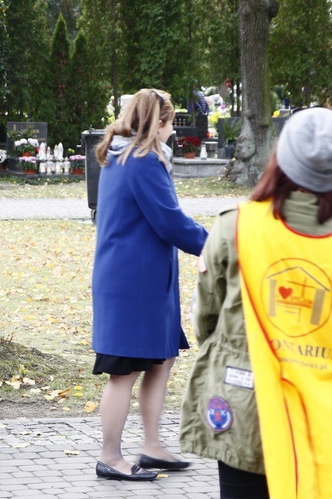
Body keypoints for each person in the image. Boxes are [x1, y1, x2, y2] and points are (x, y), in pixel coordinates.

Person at [180, 108, 332, 498]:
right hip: (323, 410)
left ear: (281, 157)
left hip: (245, 404)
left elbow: (208, 319)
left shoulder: (235, 226)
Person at [91, 88, 208, 482]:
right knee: (123, 371)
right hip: (133, 284)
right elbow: (170, 221)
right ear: (157, 123)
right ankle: (110, 456)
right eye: (171, 123)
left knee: (162, 358)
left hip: (143, 279)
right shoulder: (141, 160)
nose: (173, 131)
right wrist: (218, 244)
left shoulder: (123, 155)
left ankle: (152, 445)